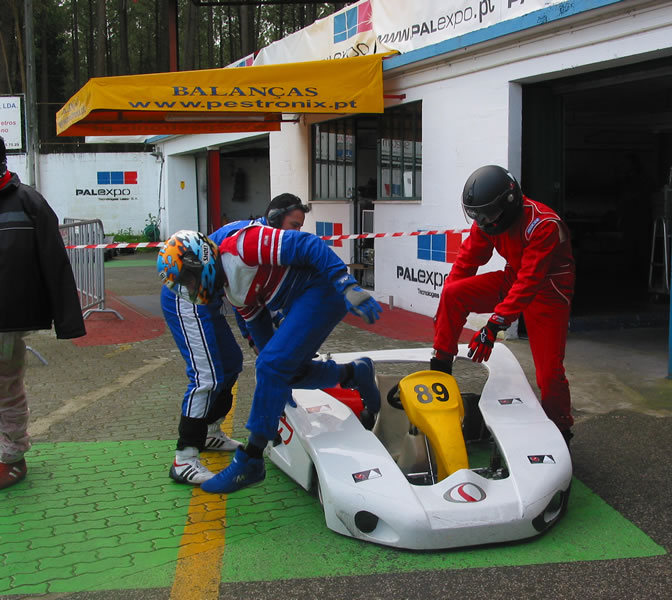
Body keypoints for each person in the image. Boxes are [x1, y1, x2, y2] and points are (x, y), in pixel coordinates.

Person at [156, 201, 383, 494]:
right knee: (279, 369)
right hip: (301, 301)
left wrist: (346, 284)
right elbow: (258, 328)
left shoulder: (243, 246)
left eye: (189, 279)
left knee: (272, 366)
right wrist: (273, 385)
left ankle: (251, 459)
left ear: (200, 260)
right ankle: (354, 374)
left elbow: (308, 244)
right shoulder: (232, 292)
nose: (190, 288)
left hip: (322, 290)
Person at [162, 193, 311, 485]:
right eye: (294, 225)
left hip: (211, 301)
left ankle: (210, 432)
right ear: (274, 219)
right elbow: (244, 303)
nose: (298, 233)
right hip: (189, 297)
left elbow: (247, 302)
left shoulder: (268, 244)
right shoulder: (249, 238)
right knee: (207, 376)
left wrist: (261, 346)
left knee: (230, 364)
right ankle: (184, 457)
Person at [429, 165, 576, 444]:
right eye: (477, 216)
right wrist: (444, 309)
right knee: (453, 294)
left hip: (549, 289)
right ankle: (440, 371)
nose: (483, 222)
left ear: (509, 203)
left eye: (488, 215)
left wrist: (494, 324)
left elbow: (531, 280)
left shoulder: (543, 224)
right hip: (514, 277)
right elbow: (467, 262)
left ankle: (561, 429)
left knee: (549, 373)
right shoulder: (488, 222)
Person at [0, 135, 86, 490]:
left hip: (8, 317)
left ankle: (11, 458)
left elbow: (55, 262)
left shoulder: (28, 202)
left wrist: (66, 319)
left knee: (6, 387)